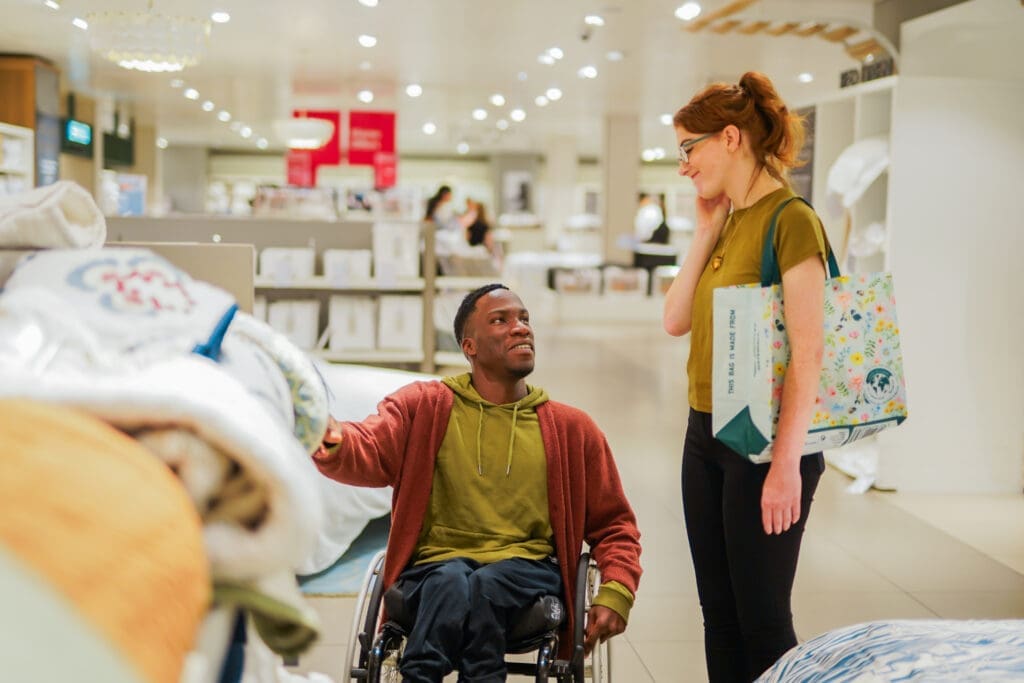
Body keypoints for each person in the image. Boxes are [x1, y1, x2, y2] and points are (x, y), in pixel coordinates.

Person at [312, 284, 642, 683]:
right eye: (501, 320)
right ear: (469, 346)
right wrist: (329, 436)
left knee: (487, 583)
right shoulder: (425, 407)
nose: (521, 328)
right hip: (435, 568)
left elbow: (615, 525)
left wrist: (617, 591)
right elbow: (369, 446)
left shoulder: (573, 430)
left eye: (524, 319)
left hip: (527, 570)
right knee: (451, 580)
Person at [662, 71, 829, 682]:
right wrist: (705, 229)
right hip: (705, 433)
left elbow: (809, 353)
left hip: (765, 445)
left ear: (730, 137)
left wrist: (786, 464)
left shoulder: (791, 219)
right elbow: (675, 319)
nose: (683, 165)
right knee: (718, 617)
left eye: (689, 147)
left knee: (761, 619)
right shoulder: (728, 221)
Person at [465, 199, 503, 266]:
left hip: (472, 252)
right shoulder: (486, 225)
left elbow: (467, 237)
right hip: (482, 252)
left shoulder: (471, 225)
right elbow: (488, 241)